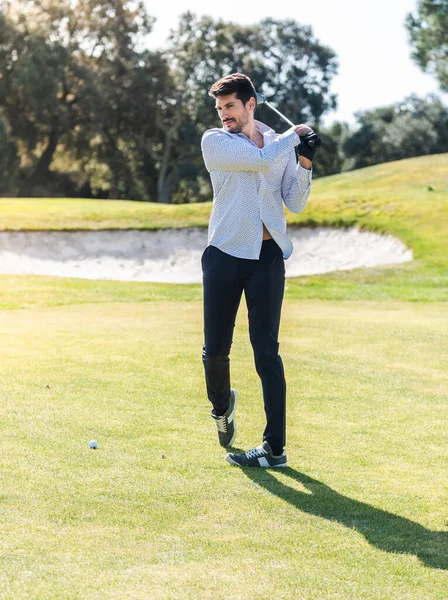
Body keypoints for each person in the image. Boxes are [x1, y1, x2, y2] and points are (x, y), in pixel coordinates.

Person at [200, 72, 319, 468]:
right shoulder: (215, 142)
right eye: (220, 108)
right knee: (215, 350)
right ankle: (222, 407)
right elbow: (259, 159)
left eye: (231, 106)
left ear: (251, 104)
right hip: (224, 255)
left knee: (267, 351)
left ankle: (275, 448)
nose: (224, 115)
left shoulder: (281, 145)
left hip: (267, 260)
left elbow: (295, 202)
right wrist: (295, 135)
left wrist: (305, 160)